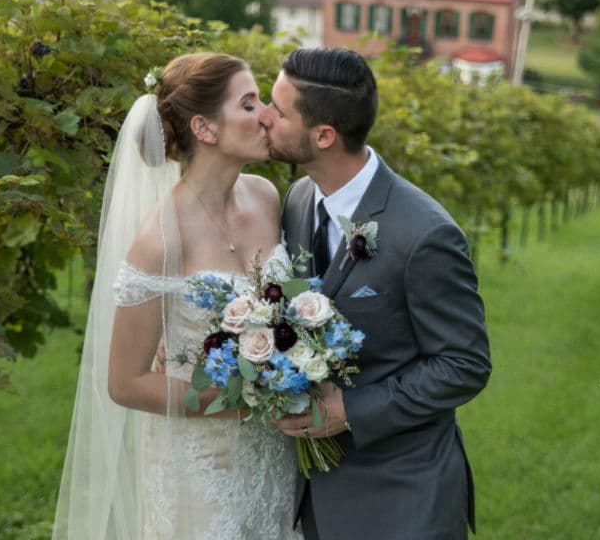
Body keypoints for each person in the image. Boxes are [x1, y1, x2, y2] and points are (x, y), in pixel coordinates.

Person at [52, 53, 301, 540]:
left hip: (273, 458)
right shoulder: (160, 241)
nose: (266, 115)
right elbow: (125, 383)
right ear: (205, 129)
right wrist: (242, 399)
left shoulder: (266, 197)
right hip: (198, 468)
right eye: (249, 104)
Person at [260, 47, 491, 540]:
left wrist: (351, 411)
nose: (264, 117)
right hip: (315, 498)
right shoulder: (299, 199)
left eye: (277, 111)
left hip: (403, 499)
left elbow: (464, 365)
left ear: (323, 136)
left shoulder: (425, 234)